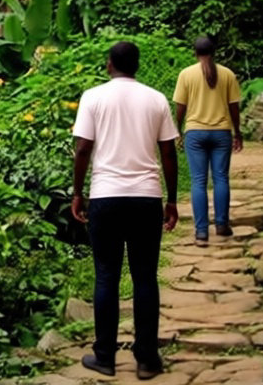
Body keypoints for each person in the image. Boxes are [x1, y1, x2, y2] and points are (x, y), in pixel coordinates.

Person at [71, 41, 179, 380]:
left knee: (106, 276)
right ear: (137, 65)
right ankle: (147, 359)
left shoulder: (92, 98)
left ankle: (104, 356)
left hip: (105, 197)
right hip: (146, 198)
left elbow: (83, 149)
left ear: (109, 65)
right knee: (145, 277)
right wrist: (171, 200)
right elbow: (168, 153)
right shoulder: (156, 99)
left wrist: (78, 193)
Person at [172, 36, 243, 246]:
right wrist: (237, 132)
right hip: (221, 132)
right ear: (214, 52)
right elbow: (234, 108)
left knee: (198, 181)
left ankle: (201, 232)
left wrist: (178, 130)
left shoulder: (186, 74)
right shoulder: (227, 74)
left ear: (195, 53)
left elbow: (180, 107)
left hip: (195, 133)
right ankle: (222, 225)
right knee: (221, 178)